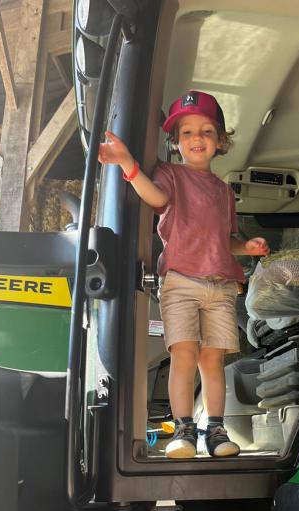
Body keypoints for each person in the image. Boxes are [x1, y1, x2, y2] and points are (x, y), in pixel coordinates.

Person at [98, 90, 269, 459]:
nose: (197, 139)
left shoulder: (224, 192)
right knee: (184, 355)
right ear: (175, 142)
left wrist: (247, 248)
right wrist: (128, 165)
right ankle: (184, 431)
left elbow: (225, 240)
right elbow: (156, 199)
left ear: (220, 141)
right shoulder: (170, 175)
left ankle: (217, 432)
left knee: (213, 359)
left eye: (207, 131)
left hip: (221, 285)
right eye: (187, 132)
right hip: (181, 282)